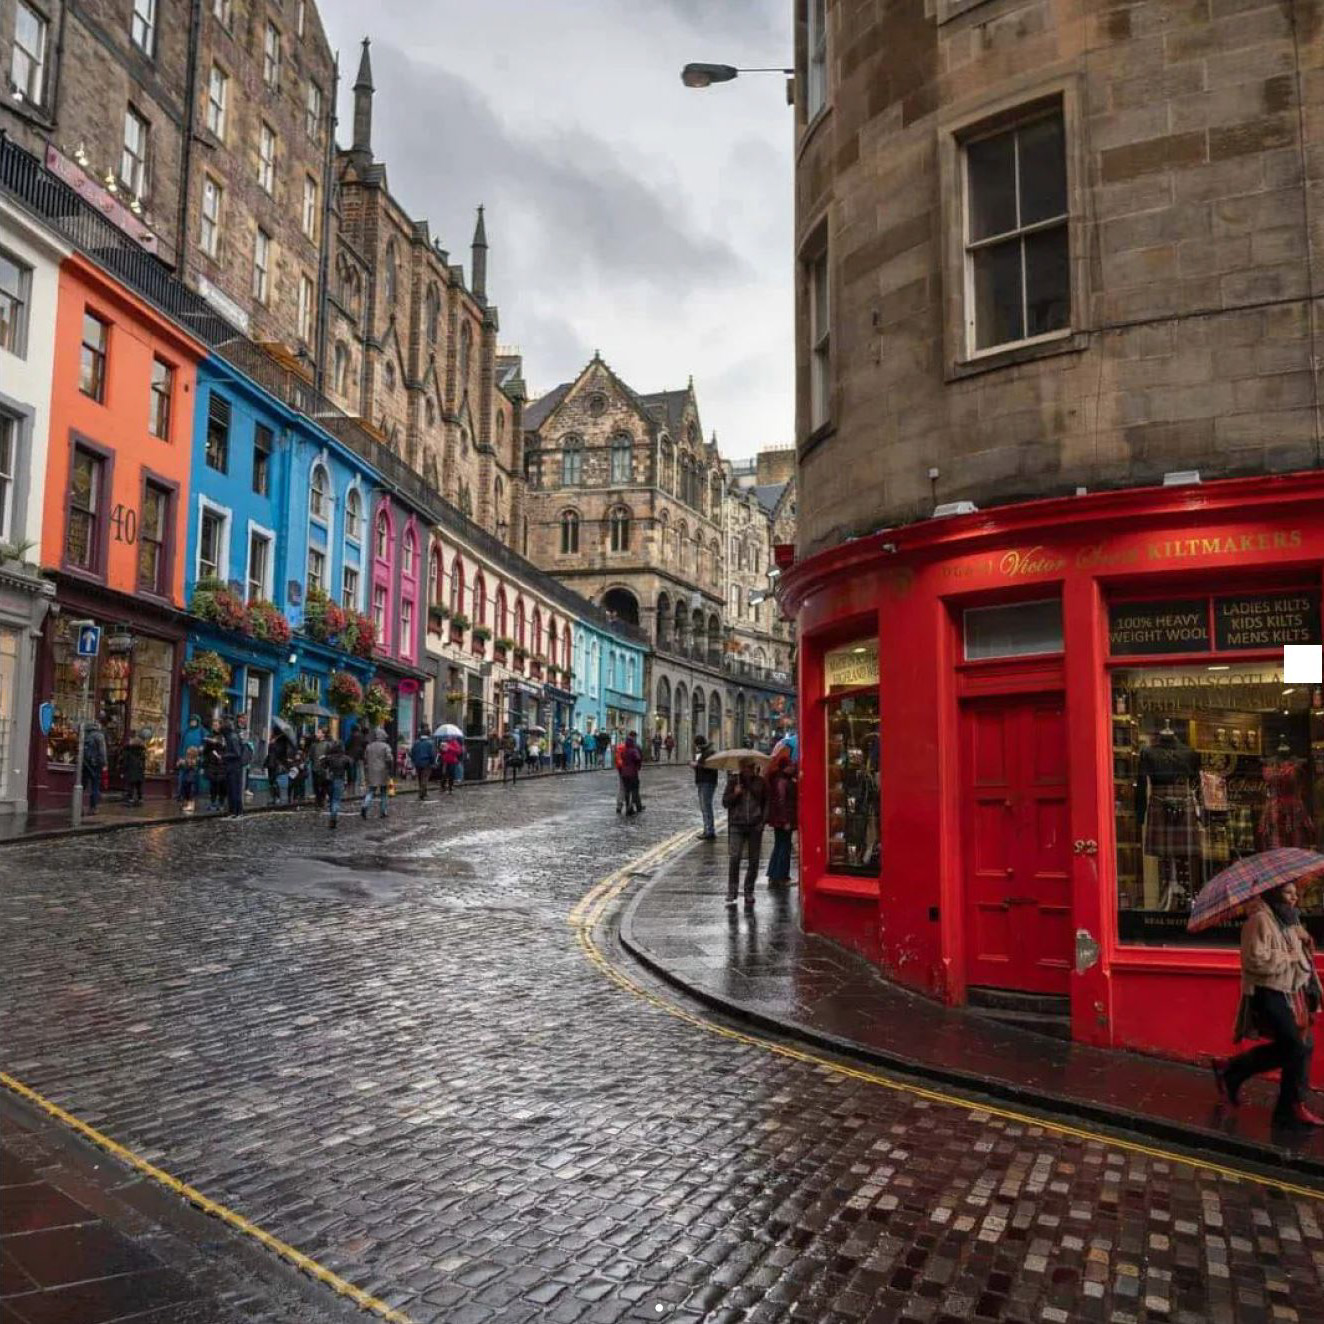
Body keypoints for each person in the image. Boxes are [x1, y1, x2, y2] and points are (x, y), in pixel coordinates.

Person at [1214, 881, 1324, 1127]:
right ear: (1274, 893)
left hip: (1290, 994)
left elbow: (1298, 965)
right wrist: (1290, 956)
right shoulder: (1259, 920)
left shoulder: (1288, 922)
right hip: (1268, 994)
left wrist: (1304, 946)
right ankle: (1290, 1106)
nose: (1294, 898)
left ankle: (1232, 1070)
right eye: (1288, 893)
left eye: (1296, 894)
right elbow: (1254, 961)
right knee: (1296, 1047)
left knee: (1301, 1045)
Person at [722, 757, 768, 910]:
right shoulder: (733, 782)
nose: (747, 770)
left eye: (750, 767)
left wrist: (763, 822)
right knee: (735, 858)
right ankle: (732, 890)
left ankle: (749, 891)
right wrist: (735, 794)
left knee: (754, 861)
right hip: (737, 824)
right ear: (740, 767)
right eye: (744, 767)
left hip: (755, 825)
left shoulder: (760, 782)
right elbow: (725, 802)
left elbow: (766, 802)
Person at [764, 745, 799, 885]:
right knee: (784, 846)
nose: (793, 767)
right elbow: (781, 802)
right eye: (791, 765)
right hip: (783, 819)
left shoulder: (781, 779)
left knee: (780, 845)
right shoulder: (783, 781)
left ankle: (773, 873)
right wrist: (785, 821)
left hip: (779, 819)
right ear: (785, 767)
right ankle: (781, 876)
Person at [361, 727, 393, 818]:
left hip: (371, 771)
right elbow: (389, 758)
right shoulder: (386, 746)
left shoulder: (369, 746)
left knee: (371, 791)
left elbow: (365, 758)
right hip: (383, 771)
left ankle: (365, 805)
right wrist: (389, 767)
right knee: (383, 792)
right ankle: (383, 811)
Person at [692, 735, 719, 840]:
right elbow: (702, 768)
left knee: (706, 807)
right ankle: (707, 829)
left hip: (707, 783)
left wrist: (696, 765)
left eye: (695, 744)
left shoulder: (709, 753)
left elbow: (709, 768)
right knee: (704, 808)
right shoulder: (703, 753)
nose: (695, 747)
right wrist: (696, 767)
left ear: (698, 744)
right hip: (703, 781)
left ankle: (710, 831)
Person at [320, 740, 351, 829]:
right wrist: (349, 782)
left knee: (331, 799)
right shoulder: (345, 759)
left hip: (329, 780)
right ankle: (333, 817)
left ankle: (332, 816)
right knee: (336, 800)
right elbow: (350, 771)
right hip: (339, 779)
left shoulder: (328, 758)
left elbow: (323, 767)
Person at [81, 720, 107, 815]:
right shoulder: (99, 736)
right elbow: (102, 751)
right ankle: (93, 807)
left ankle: (79, 807)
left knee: (82, 785)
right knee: (95, 786)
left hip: (84, 763)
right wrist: (104, 763)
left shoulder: (84, 735)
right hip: (95, 764)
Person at [220, 718, 245, 817]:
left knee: (234, 789)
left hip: (234, 767)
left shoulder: (232, 737)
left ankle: (236, 811)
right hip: (233, 767)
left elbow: (237, 753)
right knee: (232, 789)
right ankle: (234, 811)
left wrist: (224, 756)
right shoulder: (231, 736)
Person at [176, 715, 204, 801]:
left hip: (196, 758)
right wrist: (180, 757)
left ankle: (192, 795)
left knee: (193, 778)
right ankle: (181, 794)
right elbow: (181, 744)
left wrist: (201, 750)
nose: (192, 722)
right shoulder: (186, 731)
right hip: (185, 757)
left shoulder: (201, 731)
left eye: (194, 721)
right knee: (182, 776)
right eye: (191, 721)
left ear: (197, 722)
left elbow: (205, 743)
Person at [202, 719, 226, 813]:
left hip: (221, 764)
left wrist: (217, 743)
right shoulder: (209, 736)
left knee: (221, 785)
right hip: (212, 763)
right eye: (214, 725)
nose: (215, 726)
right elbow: (206, 751)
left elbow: (226, 748)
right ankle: (213, 802)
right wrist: (208, 744)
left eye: (217, 725)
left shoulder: (224, 736)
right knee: (213, 785)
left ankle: (221, 803)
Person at [120, 729, 147, 805]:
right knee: (138, 785)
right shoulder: (142, 752)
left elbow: (125, 762)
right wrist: (143, 769)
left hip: (130, 770)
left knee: (130, 785)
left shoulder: (128, 751)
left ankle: (130, 798)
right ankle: (140, 798)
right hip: (139, 771)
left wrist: (123, 771)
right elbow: (144, 762)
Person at [620, 731, 644, 816]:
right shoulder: (634, 750)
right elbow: (638, 758)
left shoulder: (624, 750)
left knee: (626, 791)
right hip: (632, 773)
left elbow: (622, 757)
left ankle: (627, 806)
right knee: (634, 790)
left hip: (624, 772)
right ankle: (632, 807)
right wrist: (637, 766)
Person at [410, 729, 437, 800]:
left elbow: (412, 753)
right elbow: (432, 754)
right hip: (426, 763)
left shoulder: (416, 743)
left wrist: (413, 761)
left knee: (419, 778)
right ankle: (421, 793)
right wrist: (433, 762)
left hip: (417, 763)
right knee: (424, 779)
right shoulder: (429, 743)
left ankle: (424, 792)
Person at [310, 727, 332, 808]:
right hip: (315, 767)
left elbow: (331, 755)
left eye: (319, 732)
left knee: (323, 786)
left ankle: (321, 800)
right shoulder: (314, 745)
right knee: (315, 785)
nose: (317, 734)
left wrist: (325, 757)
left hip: (324, 768)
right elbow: (311, 756)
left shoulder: (328, 744)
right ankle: (318, 800)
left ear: (323, 734)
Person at [344, 723, 367, 792]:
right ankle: (361, 784)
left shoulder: (351, 736)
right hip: (360, 756)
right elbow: (365, 744)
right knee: (360, 770)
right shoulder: (362, 736)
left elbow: (346, 745)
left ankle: (351, 783)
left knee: (351, 770)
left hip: (351, 756)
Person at [178, 746, 199, 814]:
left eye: (190, 753)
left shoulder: (195, 760)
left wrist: (184, 763)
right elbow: (181, 766)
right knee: (185, 792)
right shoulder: (186, 759)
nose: (188, 754)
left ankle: (191, 805)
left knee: (191, 793)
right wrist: (180, 764)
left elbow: (191, 766)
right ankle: (186, 804)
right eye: (188, 753)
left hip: (191, 779)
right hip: (185, 778)